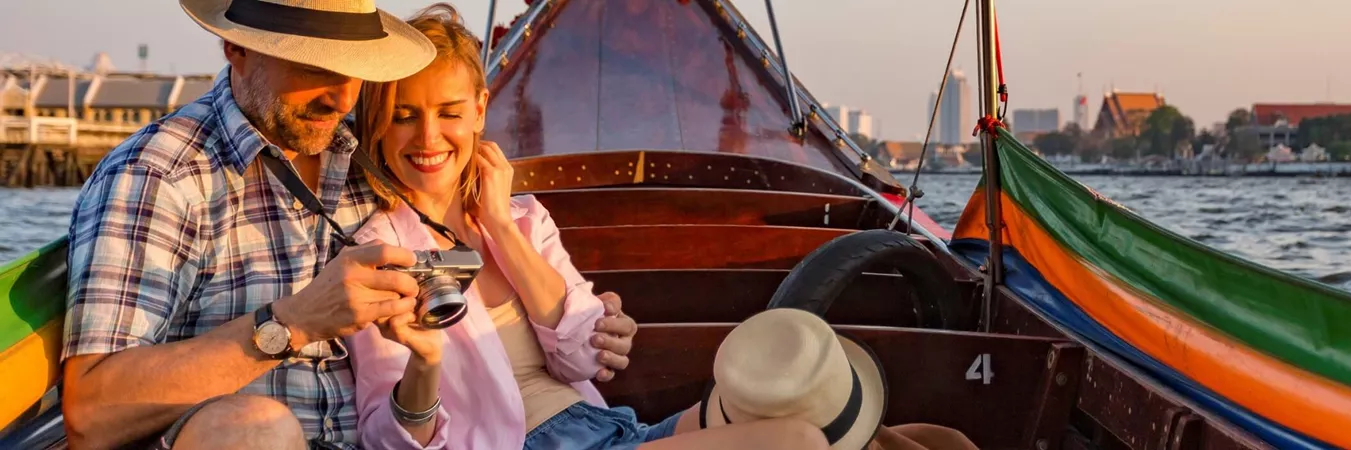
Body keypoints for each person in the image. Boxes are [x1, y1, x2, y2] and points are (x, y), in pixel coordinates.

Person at [60, 1, 639, 448]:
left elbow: (458, 183)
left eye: (358, 69)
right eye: (314, 66)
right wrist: (291, 324)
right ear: (236, 47)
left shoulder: (365, 152)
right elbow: (92, 412)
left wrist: (587, 316)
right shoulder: (162, 175)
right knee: (256, 430)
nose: (342, 98)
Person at [344, 5, 829, 450]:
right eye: (404, 116)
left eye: (449, 112)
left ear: (480, 109)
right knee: (797, 442)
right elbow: (388, 441)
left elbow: (583, 356)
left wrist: (501, 226)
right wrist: (426, 361)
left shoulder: (523, 218)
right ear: (378, 123)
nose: (428, 137)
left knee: (812, 411)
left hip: (606, 427)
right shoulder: (379, 253)